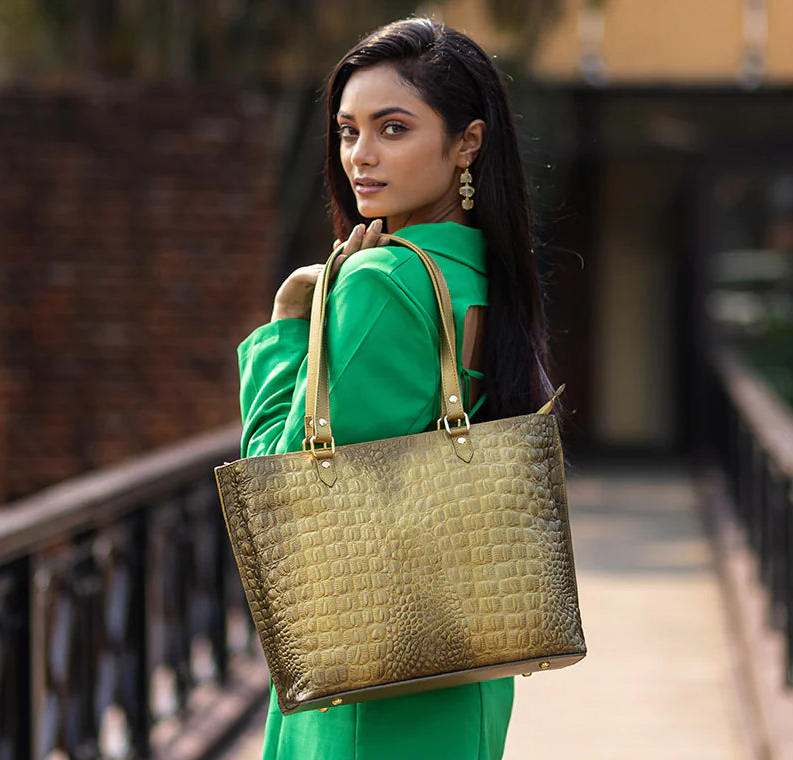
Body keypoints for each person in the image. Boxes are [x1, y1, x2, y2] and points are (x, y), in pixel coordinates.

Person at [234, 17, 559, 760]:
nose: (361, 156)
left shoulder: (384, 281)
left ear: (466, 143)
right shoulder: (482, 271)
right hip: (463, 665)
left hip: (368, 691)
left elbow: (278, 496)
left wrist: (289, 320)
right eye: (348, 131)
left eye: (393, 128)